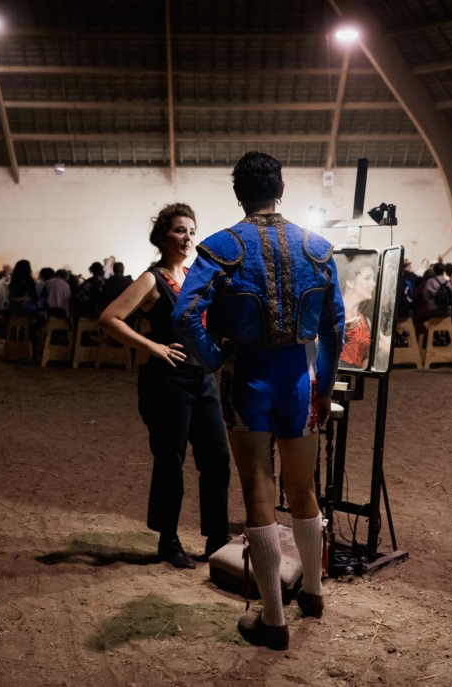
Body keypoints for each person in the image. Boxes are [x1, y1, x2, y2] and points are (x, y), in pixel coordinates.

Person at [173, 152, 344, 651]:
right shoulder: (315, 247)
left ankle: (273, 619)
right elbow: (335, 328)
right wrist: (326, 383)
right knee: (304, 488)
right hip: (300, 378)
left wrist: (211, 359)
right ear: (282, 187)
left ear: (238, 193)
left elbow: (186, 316)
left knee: (257, 492)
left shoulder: (221, 247)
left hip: (247, 376)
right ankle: (312, 592)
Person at [99, 203, 232, 571]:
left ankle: (217, 537)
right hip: (168, 381)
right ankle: (168, 540)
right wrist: (151, 346)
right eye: (178, 230)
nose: (186, 237)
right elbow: (109, 318)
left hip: (202, 378)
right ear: (162, 237)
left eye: (191, 230)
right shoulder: (150, 279)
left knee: (217, 458)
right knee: (171, 461)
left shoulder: (194, 276)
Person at [340, 258, 376, 369]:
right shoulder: (331, 312)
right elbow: (310, 344)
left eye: (373, 279)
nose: (373, 284)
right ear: (350, 283)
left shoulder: (366, 322)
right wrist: (336, 330)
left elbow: (366, 358)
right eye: (367, 278)